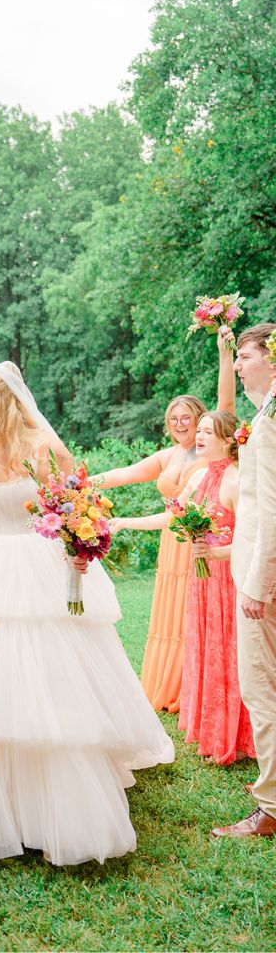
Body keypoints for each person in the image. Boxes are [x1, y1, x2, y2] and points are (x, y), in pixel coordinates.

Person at [0, 364, 174, 866]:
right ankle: (4, 807)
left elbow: (77, 509)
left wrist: (82, 546)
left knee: (51, 679)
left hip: (40, 569)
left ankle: (63, 808)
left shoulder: (42, 446)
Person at [92, 330, 236, 712]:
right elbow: (123, 473)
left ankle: (198, 686)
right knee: (170, 617)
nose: (180, 424)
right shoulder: (167, 456)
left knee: (198, 615)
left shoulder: (212, 454)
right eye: (173, 420)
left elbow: (226, 404)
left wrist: (225, 354)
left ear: (200, 419)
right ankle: (174, 686)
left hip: (204, 543)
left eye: (187, 418)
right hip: (170, 542)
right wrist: (82, 483)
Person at [111, 411, 254, 765]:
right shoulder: (202, 476)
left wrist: (215, 551)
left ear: (227, 440)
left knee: (231, 655)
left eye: (207, 431)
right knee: (206, 652)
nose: (199, 437)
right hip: (202, 582)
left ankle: (237, 737)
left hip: (229, 582)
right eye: (199, 430)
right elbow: (171, 518)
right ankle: (213, 732)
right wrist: (123, 522)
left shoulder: (237, 482)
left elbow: (256, 540)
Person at [213, 323, 276, 838]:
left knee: (261, 685)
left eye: (245, 356)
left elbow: (272, 508)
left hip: (265, 575)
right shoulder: (265, 411)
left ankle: (272, 805)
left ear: (271, 359)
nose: (237, 363)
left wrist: (258, 581)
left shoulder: (273, 418)